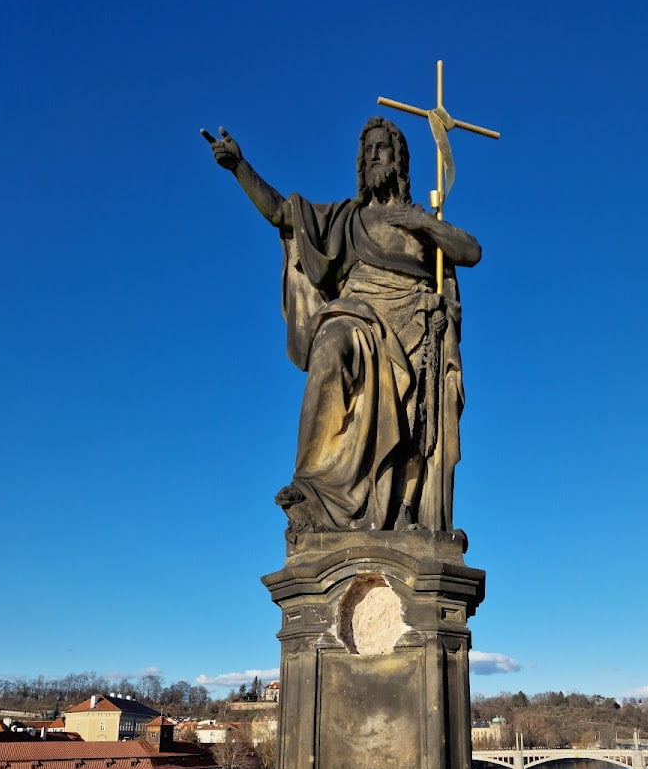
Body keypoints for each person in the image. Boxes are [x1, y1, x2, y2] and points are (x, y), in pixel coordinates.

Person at [202, 117, 481, 533]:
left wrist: (423, 224)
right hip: (358, 314)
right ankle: (312, 491)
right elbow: (282, 212)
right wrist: (240, 167)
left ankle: (400, 510)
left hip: (414, 325)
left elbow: (471, 251)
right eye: (367, 149)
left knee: (409, 426)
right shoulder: (345, 218)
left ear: (399, 159)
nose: (373, 156)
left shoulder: (422, 219)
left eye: (382, 147)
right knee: (330, 344)